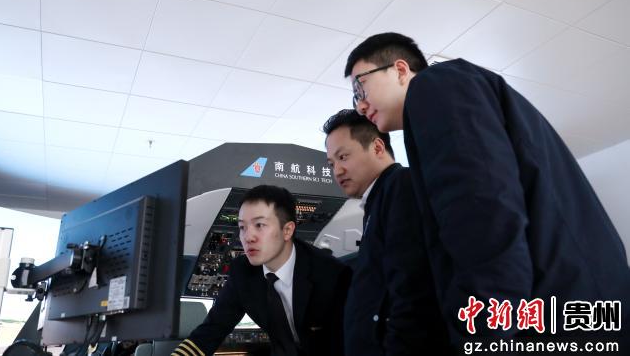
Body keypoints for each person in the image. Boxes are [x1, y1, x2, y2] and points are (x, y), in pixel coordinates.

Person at [344, 32, 630, 349]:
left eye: (361, 87)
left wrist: (483, 339)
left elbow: (483, 217)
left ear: (400, 70)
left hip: (556, 318)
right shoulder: (453, 94)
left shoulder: (436, 86)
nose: (361, 106)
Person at [323, 109, 450, 355]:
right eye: (331, 163)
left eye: (343, 157)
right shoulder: (378, 201)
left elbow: (411, 287)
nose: (337, 171)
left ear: (378, 147)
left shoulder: (401, 186)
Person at [171, 184, 352, 356]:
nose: (248, 237)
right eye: (242, 227)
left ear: (287, 230)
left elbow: (354, 341)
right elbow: (210, 332)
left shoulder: (332, 275)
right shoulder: (243, 272)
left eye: (259, 225)